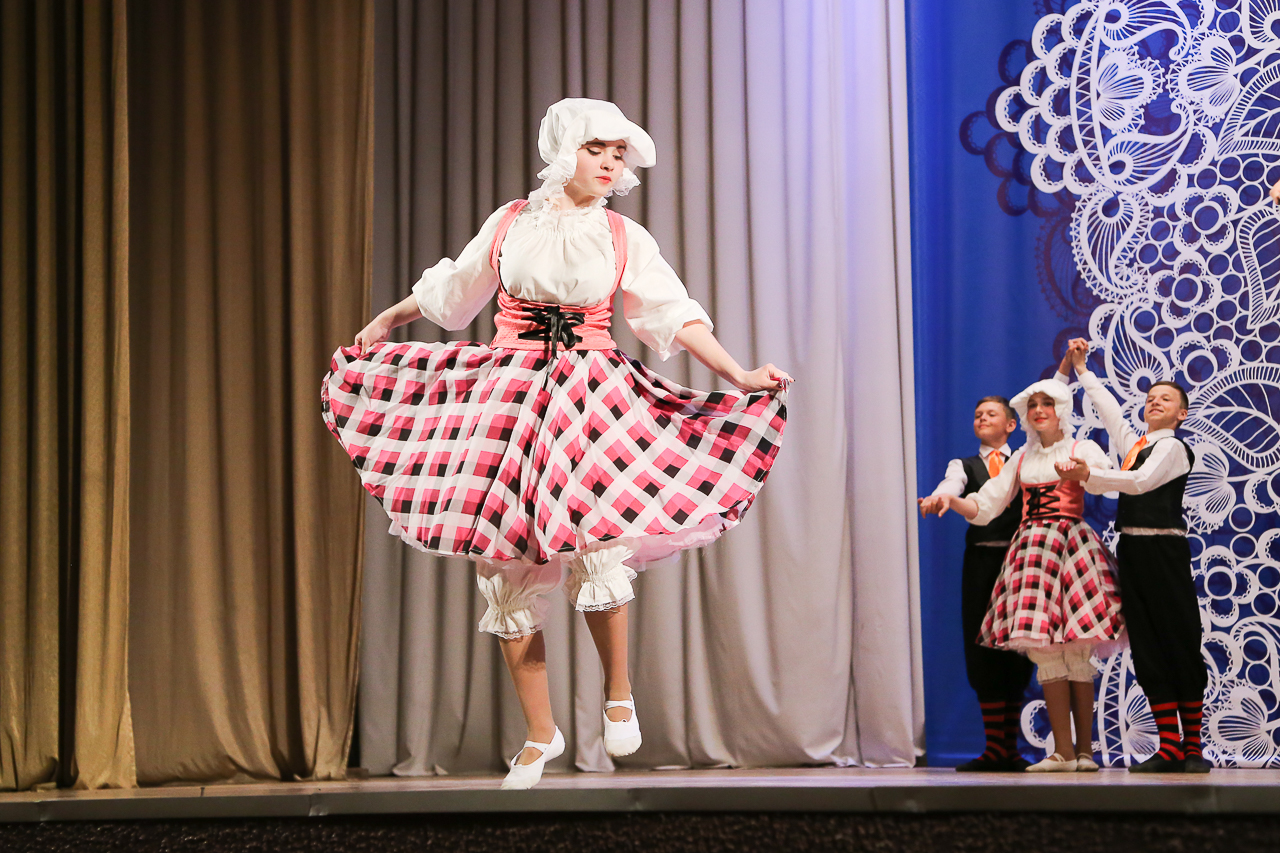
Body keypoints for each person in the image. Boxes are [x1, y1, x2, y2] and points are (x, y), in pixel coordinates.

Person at [322, 99, 790, 789]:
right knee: (504, 560)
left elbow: (673, 314)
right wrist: (389, 317)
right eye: (597, 149)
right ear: (566, 149)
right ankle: (540, 732)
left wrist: (739, 374)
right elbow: (456, 287)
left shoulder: (622, 235)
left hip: (589, 391)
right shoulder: (511, 222)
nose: (610, 163)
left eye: (618, 153)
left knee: (599, 538)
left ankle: (619, 692)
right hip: (511, 393)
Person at [920, 377, 1125, 772]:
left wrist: (1083, 472)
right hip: (1033, 552)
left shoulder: (1081, 448)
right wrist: (951, 500)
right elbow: (986, 505)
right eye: (1033, 405)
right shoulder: (1022, 459)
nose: (1039, 410)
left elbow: (1104, 481)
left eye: (1047, 403)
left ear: (1061, 410)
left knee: (1077, 649)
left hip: (1071, 547)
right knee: (1046, 651)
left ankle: (1085, 751)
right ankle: (1063, 752)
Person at [1055, 339, 1209, 773]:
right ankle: (1170, 747)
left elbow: (1139, 482)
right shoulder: (1138, 444)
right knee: (1146, 644)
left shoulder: (1172, 448)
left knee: (1178, 639)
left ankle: (1193, 748)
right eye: (1150, 397)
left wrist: (1091, 474)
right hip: (1135, 550)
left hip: (1163, 549)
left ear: (1181, 414)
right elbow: (1110, 413)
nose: (1154, 402)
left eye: (1166, 399)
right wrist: (1083, 371)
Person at [919, 397, 1033, 771]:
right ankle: (994, 748)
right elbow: (951, 484)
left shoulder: (1026, 459)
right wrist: (941, 497)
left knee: (1019, 648)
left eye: (991, 414)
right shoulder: (964, 465)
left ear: (1012, 425)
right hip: (982, 563)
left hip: (1020, 562)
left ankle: (1010, 749)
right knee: (981, 645)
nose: (982, 418)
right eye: (977, 415)